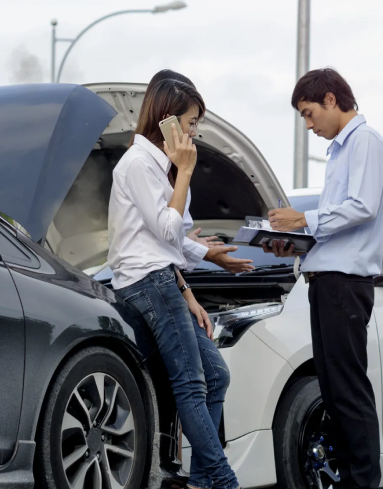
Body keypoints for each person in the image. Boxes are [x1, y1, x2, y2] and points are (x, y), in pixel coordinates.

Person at [108, 78, 240, 489]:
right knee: (191, 382)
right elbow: (167, 233)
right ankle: (221, 481)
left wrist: (189, 295)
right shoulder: (138, 165)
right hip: (148, 285)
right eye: (192, 121)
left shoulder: (154, 166)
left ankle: (202, 478)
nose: (195, 131)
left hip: (162, 281)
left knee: (215, 374)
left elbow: (168, 244)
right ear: (167, 121)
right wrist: (184, 170)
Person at [266, 68, 383, 489]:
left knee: (349, 391)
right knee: (334, 393)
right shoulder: (340, 150)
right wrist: (295, 239)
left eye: (308, 112)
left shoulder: (365, 141)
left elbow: (363, 207)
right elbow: (337, 227)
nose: (308, 124)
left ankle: (363, 484)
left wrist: (305, 217)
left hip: (345, 284)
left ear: (331, 100)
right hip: (326, 280)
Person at [144, 70, 254, 275]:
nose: (194, 132)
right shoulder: (144, 165)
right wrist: (203, 252)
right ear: (166, 116)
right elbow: (158, 239)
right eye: (191, 122)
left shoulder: (174, 166)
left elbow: (170, 236)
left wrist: (189, 243)